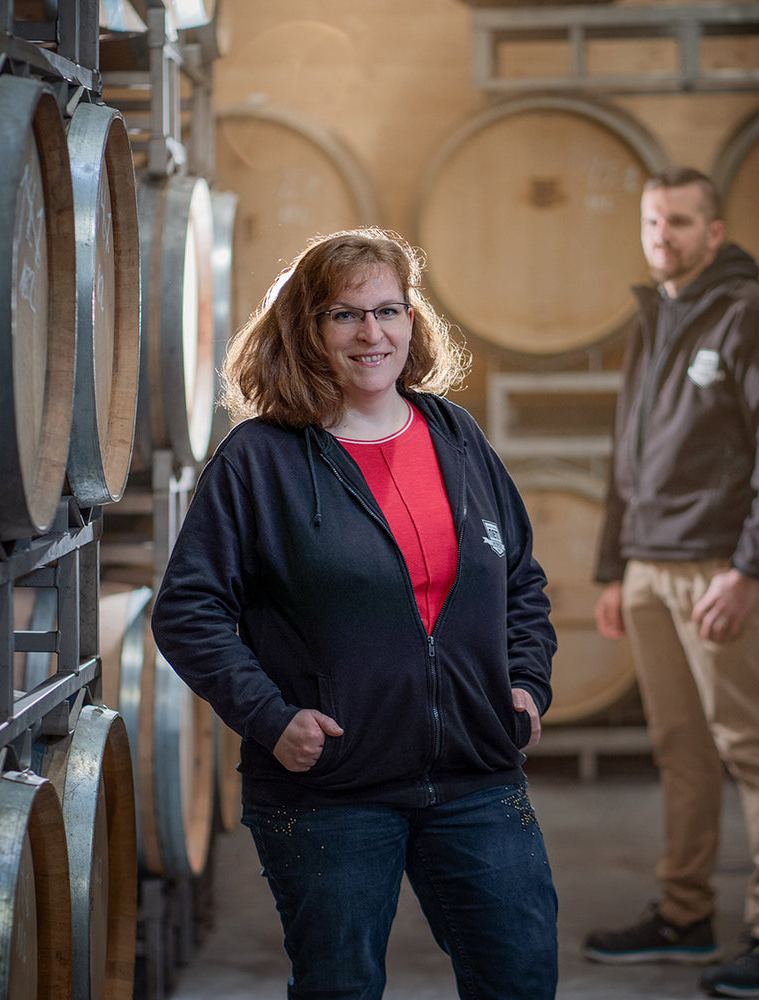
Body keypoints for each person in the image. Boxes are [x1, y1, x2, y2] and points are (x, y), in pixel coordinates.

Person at [151, 227, 560, 1000]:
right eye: (344, 316)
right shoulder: (261, 459)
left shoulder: (455, 435)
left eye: (389, 311)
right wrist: (271, 718)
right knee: (339, 989)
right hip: (331, 789)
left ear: (413, 322)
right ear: (306, 331)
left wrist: (527, 684)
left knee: (521, 978)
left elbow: (521, 580)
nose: (372, 334)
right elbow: (188, 610)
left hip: (475, 775)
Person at [583, 167, 759, 998]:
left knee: (751, 749)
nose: (663, 237)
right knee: (681, 752)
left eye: (680, 223)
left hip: (717, 570)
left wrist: (752, 567)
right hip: (648, 568)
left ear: (714, 232)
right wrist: (615, 567)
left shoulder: (757, 318)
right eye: (653, 223)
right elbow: (626, 454)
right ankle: (685, 914)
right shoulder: (656, 317)